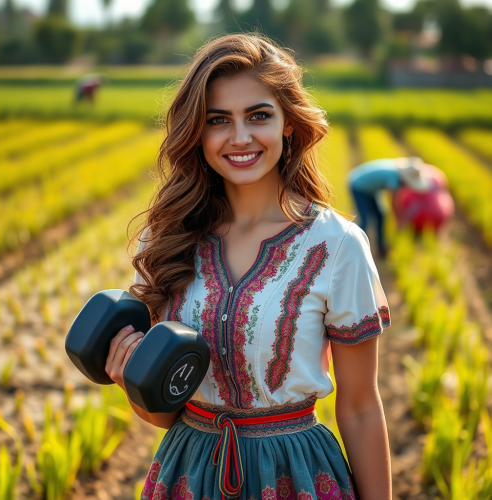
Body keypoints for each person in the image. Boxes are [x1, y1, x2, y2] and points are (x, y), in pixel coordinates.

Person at [104, 33, 392, 500]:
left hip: (298, 475)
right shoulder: (167, 239)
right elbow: (164, 414)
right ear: (197, 133)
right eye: (218, 120)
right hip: (189, 473)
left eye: (258, 115)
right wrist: (130, 383)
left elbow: (359, 407)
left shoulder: (337, 245)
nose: (240, 138)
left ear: (289, 125)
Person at [347, 157, 432, 259]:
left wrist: (398, 219)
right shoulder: (394, 177)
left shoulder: (396, 172)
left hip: (370, 189)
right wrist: (398, 220)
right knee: (365, 220)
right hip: (359, 186)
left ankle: (380, 247)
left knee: (381, 215)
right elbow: (394, 201)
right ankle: (356, 251)